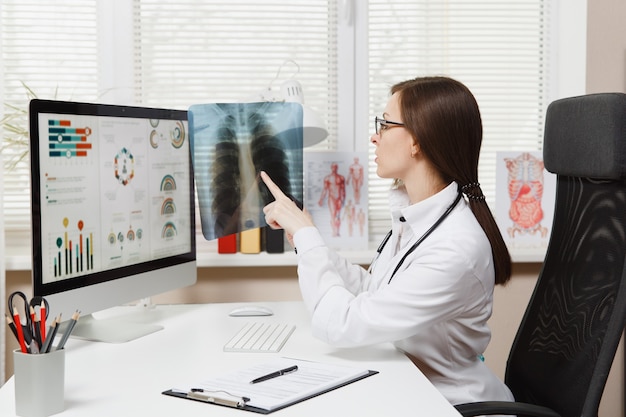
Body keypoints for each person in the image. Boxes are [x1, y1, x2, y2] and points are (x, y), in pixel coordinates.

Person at [260, 76, 514, 407]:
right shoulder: (418, 216)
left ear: (418, 141)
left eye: (385, 124)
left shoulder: (455, 247)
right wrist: (305, 238)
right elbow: (377, 292)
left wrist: (309, 239)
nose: (374, 136)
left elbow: (343, 324)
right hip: (410, 385)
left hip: (450, 404)